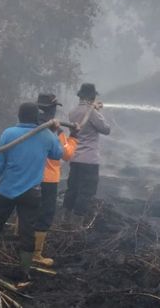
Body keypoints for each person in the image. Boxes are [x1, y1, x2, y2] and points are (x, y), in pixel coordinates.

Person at [0, 102, 63, 278]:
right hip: (31, 193)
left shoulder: (9, 133)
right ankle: (25, 271)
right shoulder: (46, 136)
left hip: (6, 190)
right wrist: (54, 131)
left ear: (19, 116)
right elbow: (57, 154)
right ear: (35, 117)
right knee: (28, 231)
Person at [34, 93, 78, 267]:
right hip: (48, 179)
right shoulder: (55, 130)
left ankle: (19, 244)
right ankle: (36, 254)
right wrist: (73, 136)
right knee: (44, 214)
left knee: (27, 211)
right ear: (52, 108)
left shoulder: (29, 125)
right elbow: (66, 154)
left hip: (28, 177)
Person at [62, 83, 111, 226]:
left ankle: (65, 219)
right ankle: (77, 224)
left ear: (80, 96)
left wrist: (93, 109)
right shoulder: (93, 113)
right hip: (89, 160)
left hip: (75, 158)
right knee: (86, 191)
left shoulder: (73, 112)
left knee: (72, 189)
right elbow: (106, 129)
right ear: (92, 96)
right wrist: (97, 112)